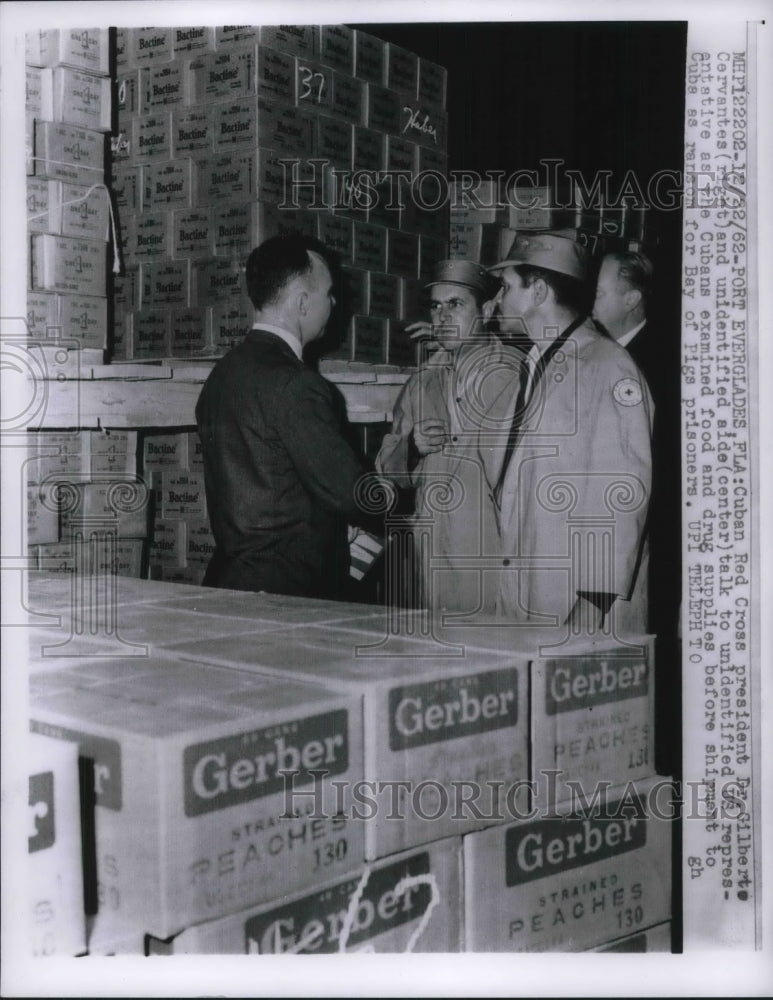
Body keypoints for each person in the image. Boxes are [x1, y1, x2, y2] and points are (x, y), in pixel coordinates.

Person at [487, 231, 653, 630]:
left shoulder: (608, 367)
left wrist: (590, 609)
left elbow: (622, 494)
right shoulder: (533, 365)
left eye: (506, 287)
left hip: (583, 614)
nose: (496, 301)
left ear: (539, 291)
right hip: (530, 598)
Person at [195, 233, 371, 599]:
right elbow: (352, 494)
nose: (334, 302)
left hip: (232, 582)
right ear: (303, 303)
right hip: (289, 593)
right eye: (329, 293)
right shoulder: (297, 384)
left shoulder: (223, 374)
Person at [376, 259, 521, 616]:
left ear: (486, 310)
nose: (442, 316)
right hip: (435, 555)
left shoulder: (516, 372)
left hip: (495, 556)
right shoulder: (423, 379)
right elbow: (386, 465)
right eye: (436, 306)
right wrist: (411, 448)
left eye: (455, 304)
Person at [593, 249, 681, 773]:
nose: (591, 301)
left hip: (655, 532)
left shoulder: (656, 360)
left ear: (632, 299)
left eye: (600, 292)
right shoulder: (605, 355)